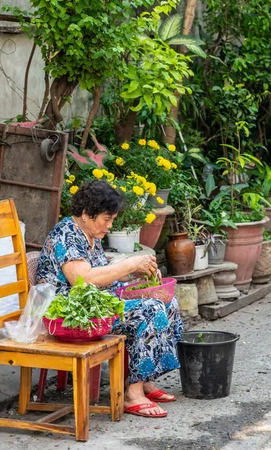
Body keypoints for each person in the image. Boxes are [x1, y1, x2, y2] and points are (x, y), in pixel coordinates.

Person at [36, 179, 183, 418]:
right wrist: (130, 263)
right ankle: (132, 395)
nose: (109, 225)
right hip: (71, 314)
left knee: (168, 302)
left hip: (94, 305)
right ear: (86, 214)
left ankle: (144, 379)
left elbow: (103, 274)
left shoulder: (89, 235)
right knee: (150, 308)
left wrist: (134, 272)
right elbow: (82, 280)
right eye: (107, 219)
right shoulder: (67, 235)